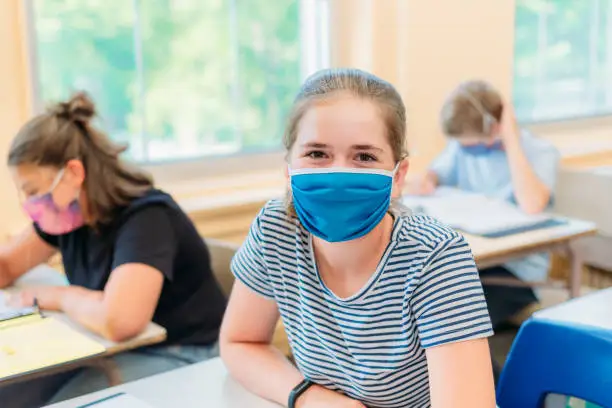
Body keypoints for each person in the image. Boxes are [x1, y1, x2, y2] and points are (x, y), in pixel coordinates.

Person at [220, 68, 496, 408]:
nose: (338, 173)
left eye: (364, 157)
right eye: (317, 154)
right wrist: (310, 398)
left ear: (399, 175)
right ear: (288, 167)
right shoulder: (276, 230)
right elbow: (240, 342)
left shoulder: (436, 257)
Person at [0, 93, 226, 407]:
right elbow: (6, 267)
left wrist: (60, 296)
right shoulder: (67, 217)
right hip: (113, 347)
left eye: (33, 191)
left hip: (185, 353)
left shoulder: (147, 218)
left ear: (75, 174)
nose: (29, 206)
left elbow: (119, 321)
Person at [408, 80, 561, 329]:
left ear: (495, 127)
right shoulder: (461, 149)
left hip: (514, 274)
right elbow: (435, 174)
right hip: (473, 263)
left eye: (474, 144)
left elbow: (533, 204)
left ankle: (495, 370)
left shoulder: (540, 152)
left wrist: (511, 140)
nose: (469, 151)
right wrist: (428, 179)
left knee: (453, 322)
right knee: (420, 305)